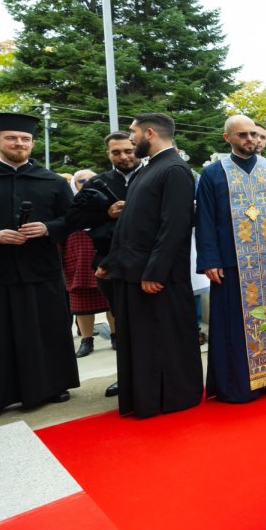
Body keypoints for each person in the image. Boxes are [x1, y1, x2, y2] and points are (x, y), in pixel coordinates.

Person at [97, 112, 203, 418]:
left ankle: (170, 397)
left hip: (157, 276)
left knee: (162, 339)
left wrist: (156, 271)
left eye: (133, 133)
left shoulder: (175, 170)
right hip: (134, 270)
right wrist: (110, 262)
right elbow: (131, 224)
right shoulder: (149, 168)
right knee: (143, 340)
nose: (131, 139)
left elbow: (174, 226)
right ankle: (144, 396)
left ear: (150, 133)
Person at [0, 112, 78, 422]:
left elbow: (73, 219)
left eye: (25, 139)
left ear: (33, 143)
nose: (19, 143)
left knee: (45, 330)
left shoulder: (52, 181)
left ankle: (52, 386)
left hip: (40, 270)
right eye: (12, 138)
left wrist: (48, 228)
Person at [196, 115, 266, 403]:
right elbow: (204, 219)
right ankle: (239, 386)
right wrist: (209, 259)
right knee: (234, 326)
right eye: (242, 135)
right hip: (231, 264)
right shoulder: (213, 173)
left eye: (253, 134)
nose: (250, 139)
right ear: (227, 138)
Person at [66, 131, 140, 397]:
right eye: (116, 152)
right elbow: (74, 220)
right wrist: (106, 213)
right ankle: (127, 376)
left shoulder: (153, 176)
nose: (124, 157)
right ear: (108, 154)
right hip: (110, 261)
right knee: (122, 321)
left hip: (149, 261)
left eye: (128, 151)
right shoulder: (97, 182)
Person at [64, 169, 111, 357]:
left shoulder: (109, 200)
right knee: (81, 300)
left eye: (92, 179)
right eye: (82, 180)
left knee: (110, 297)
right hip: (77, 255)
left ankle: (116, 335)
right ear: (74, 184)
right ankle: (86, 340)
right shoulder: (68, 203)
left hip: (103, 253)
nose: (87, 183)